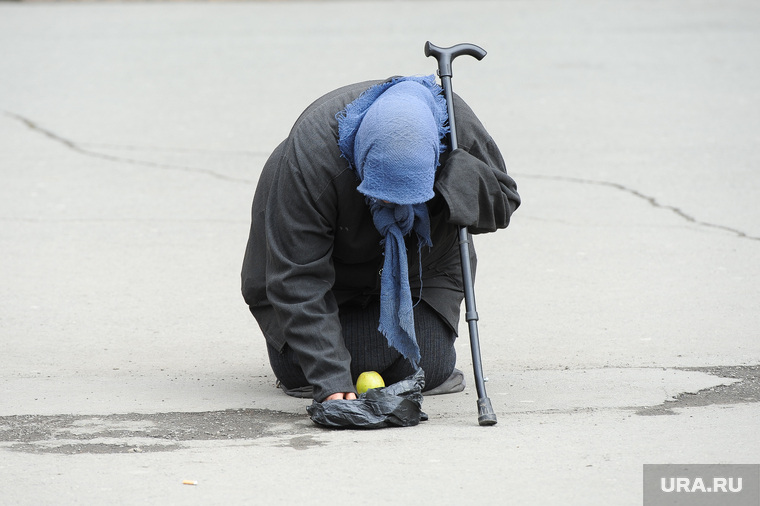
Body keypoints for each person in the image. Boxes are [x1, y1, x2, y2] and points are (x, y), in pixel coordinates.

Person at [241, 75, 520, 403]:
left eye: (408, 198)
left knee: (431, 362)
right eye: (383, 198)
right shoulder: (311, 159)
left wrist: (460, 180)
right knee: (303, 368)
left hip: (422, 271)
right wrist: (331, 379)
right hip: (324, 285)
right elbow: (297, 278)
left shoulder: (455, 131)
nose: (395, 209)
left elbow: (501, 207)